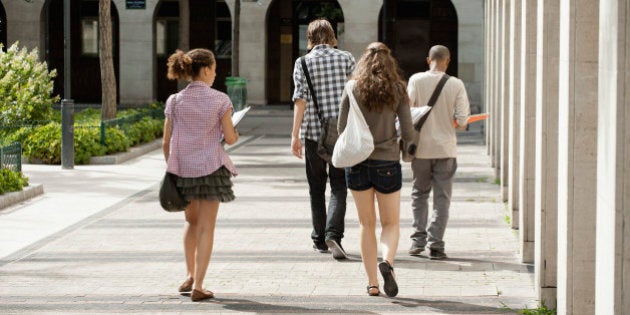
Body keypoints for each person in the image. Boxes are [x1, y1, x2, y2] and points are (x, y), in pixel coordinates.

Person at [338, 42, 415, 297]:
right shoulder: (397, 89)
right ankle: (388, 262)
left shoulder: (352, 88)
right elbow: (408, 131)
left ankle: (372, 283)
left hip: (358, 163)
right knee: (391, 222)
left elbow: (341, 128)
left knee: (365, 224)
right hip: (387, 162)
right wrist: (406, 153)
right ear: (389, 62)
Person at [162, 48, 239, 302]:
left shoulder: (174, 101)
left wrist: (173, 169)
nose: (215, 74)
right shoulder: (220, 100)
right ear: (205, 69)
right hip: (211, 170)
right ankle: (200, 286)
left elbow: (166, 143)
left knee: (191, 223)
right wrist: (234, 133)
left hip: (183, 171)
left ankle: (190, 275)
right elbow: (229, 137)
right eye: (214, 69)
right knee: (207, 227)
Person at [290, 19, 355, 259]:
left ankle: (319, 239)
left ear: (309, 37)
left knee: (316, 187)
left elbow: (300, 99)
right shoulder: (346, 58)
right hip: (341, 131)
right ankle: (333, 235)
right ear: (332, 36)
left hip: (313, 133)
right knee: (339, 184)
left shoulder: (302, 62)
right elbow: (354, 94)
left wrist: (294, 134)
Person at [406, 45, 470, 260]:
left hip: (421, 148)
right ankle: (436, 245)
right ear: (448, 60)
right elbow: (462, 121)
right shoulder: (456, 84)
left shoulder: (415, 80)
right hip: (446, 149)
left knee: (419, 193)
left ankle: (418, 239)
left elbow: (407, 112)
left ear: (428, 60)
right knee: (442, 198)